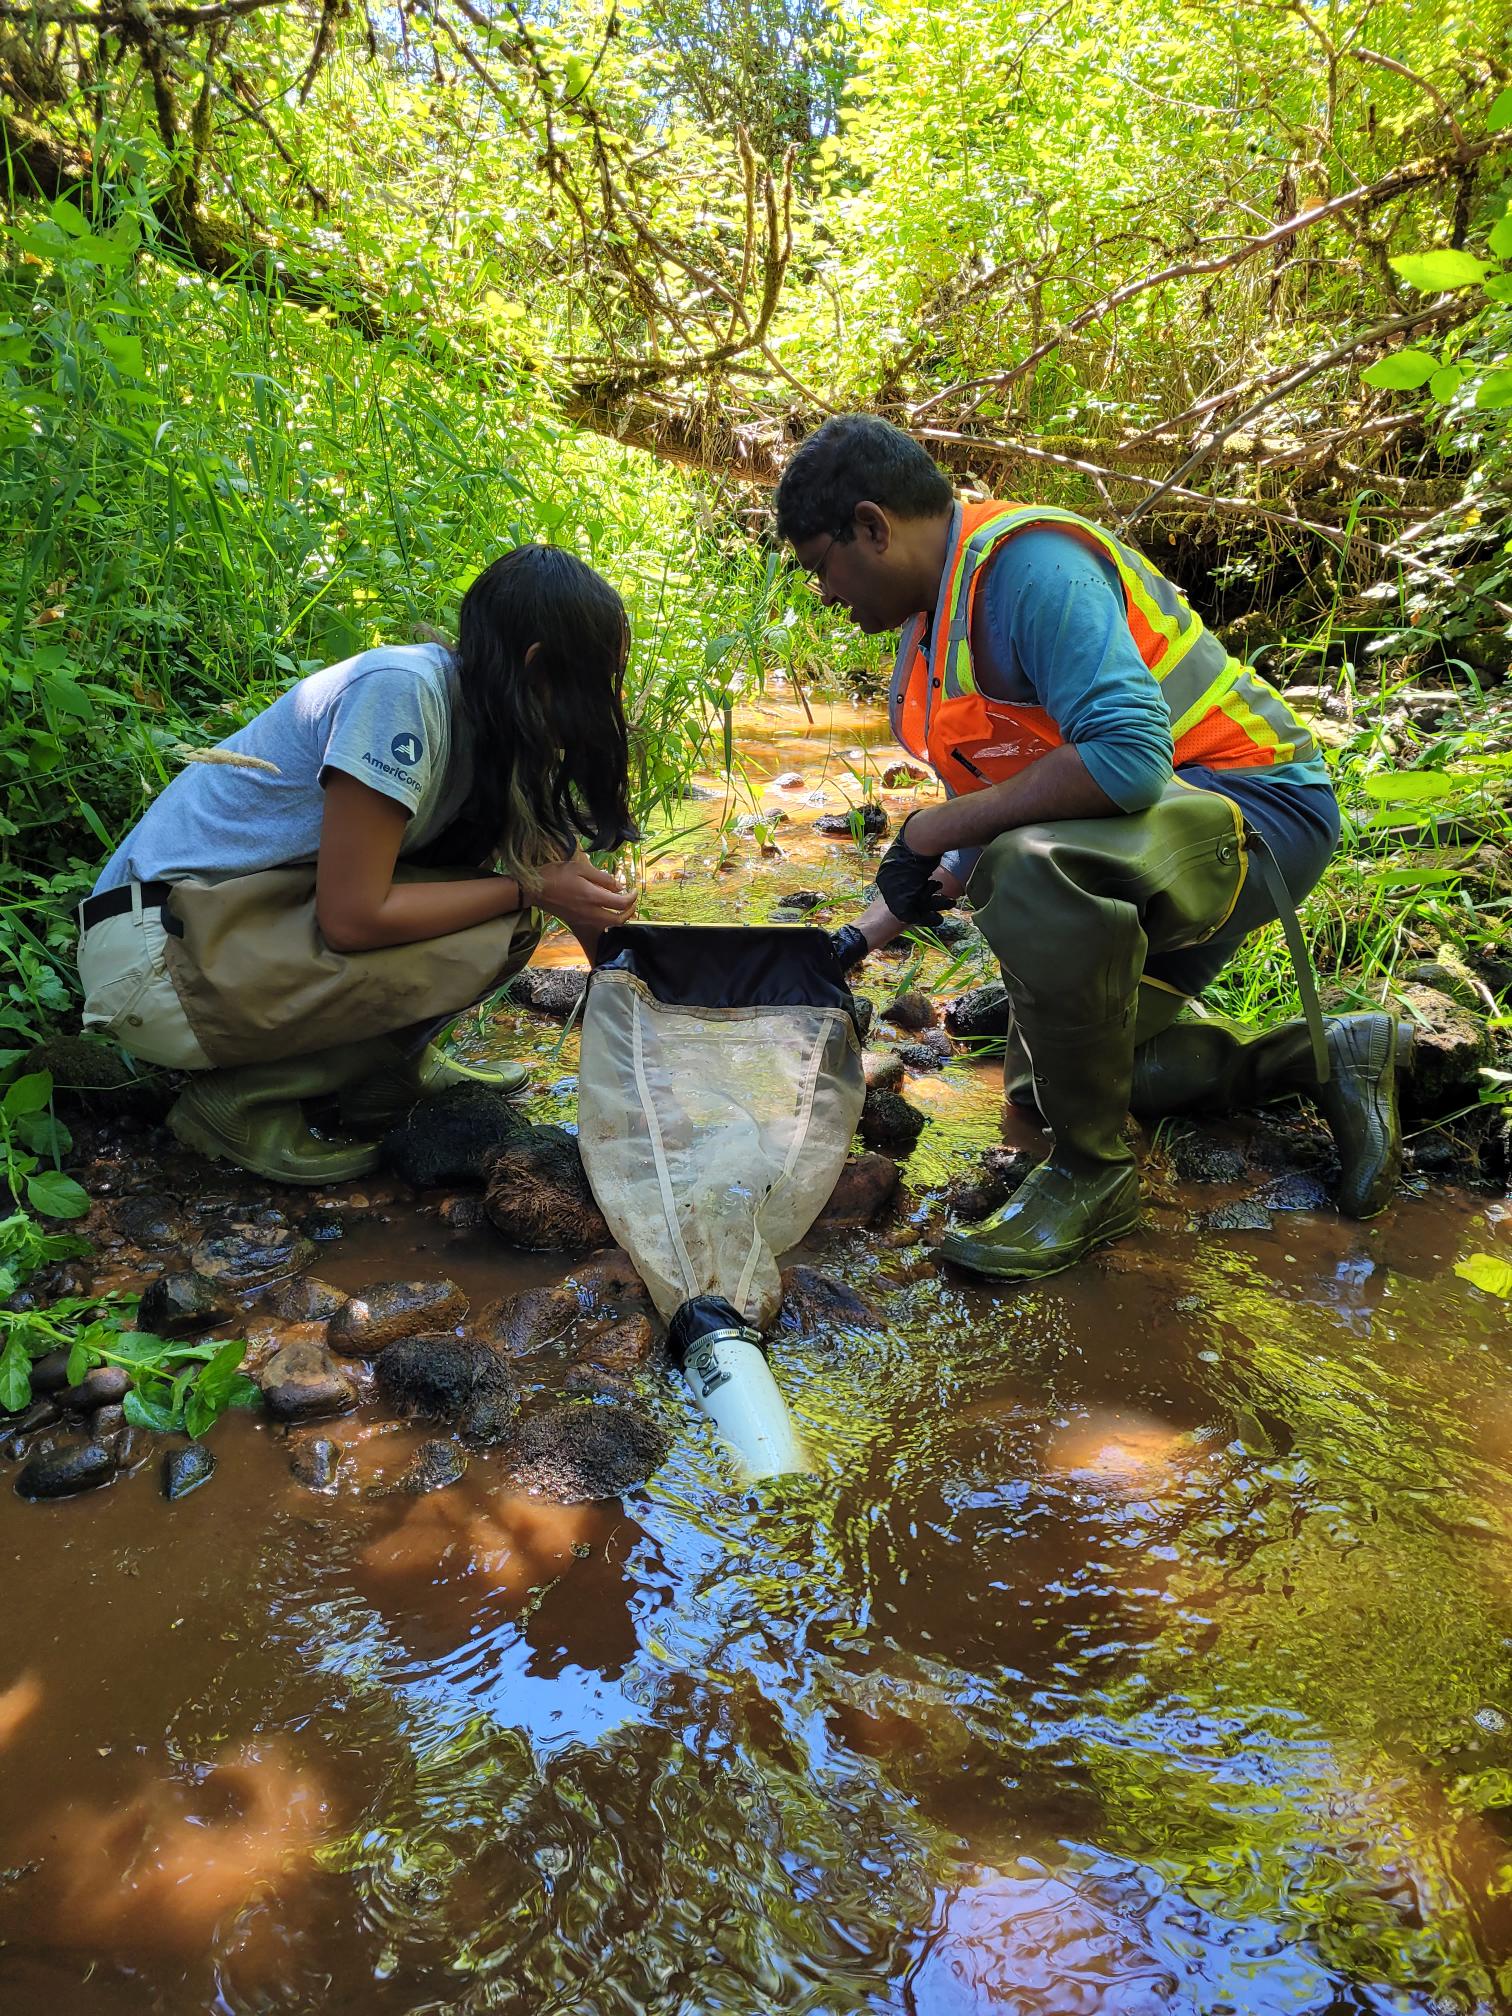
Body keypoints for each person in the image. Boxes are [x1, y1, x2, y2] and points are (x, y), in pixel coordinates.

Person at [776, 416, 1401, 1281]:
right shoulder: (933, 629)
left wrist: (930, 829)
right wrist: (851, 944)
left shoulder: (1032, 569)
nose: (825, 592)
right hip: (1157, 846)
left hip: (1258, 810)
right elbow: (986, 815)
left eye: (821, 566)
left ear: (873, 527)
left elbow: (1126, 760)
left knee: (1029, 868)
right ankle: (1327, 1056)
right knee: (1062, 1085)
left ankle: (1094, 1178)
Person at [76, 545, 636, 1184]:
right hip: (153, 955)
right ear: (540, 666)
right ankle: (238, 1107)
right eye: (602, 680)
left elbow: (574, 884)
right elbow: (352, 918)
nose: (607, 700)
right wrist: (527, 887)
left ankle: (384, 1077)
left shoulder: (504, 718)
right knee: (503, 910)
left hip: (235, 929)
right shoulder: (401, 694)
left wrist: (640, 1011)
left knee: (509, 916)